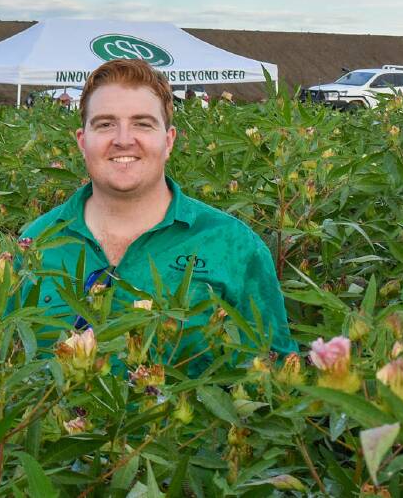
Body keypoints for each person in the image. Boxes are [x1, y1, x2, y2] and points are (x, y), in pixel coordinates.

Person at [20, 59, 295, 371]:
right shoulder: (36, 242)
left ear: (169, 141)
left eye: (143, 123)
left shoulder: (234, 245)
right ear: (83, 142)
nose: (123, 139)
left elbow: (277, 373)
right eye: (105, 124)